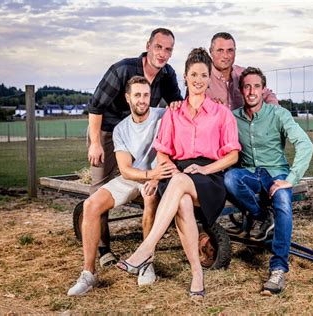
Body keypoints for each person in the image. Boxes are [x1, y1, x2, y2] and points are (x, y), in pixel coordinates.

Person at [116, 48, 241, 299]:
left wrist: (206, 168)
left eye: (204, 75)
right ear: (185, 77)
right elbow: (162, 151)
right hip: (177, 173)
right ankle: (197, 274)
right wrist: (165, 167)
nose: (198, 80)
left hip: (208, 177)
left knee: (182, 183)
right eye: (193, 74)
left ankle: (146, 248)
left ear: (209, 78)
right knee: (182, 200)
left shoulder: (221, 114)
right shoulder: (173, 112)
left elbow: (232, 155)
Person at [67, 76, 177, 296]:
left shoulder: (164, 116)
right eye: (137, 95)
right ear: (128, 98)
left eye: (146, 95)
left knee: (150, 198)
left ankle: (146, 263)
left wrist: (155, 177)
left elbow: (173, 149)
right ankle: (88, 273)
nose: (142, 100)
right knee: (91, 205)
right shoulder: (121, 129)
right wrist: (148, 174)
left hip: (159, 177)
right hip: (135, 175)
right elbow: (125, 169)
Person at [87, 28, 183, 266]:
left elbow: (176, 104)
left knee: (146, 180)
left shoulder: (167, 74)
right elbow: (96, 107)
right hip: (109, 129)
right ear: (148, 45)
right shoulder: (123, 70)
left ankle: (146, 250)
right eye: (158, 47)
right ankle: (103, 249)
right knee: (100, 183)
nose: (162, 53)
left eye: (168, 49)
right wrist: (96, 143)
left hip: (140, 131)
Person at [224, 67, 313, 295]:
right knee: (230, 179)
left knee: (283, 200)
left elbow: (305, 144)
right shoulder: (233, 118)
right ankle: (262, 216)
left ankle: (278, 268)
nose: (251, 91)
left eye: (256, 86)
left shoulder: (278, 114)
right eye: (247, 86)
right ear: (241, 90)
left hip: (276, 173)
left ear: (263, 90)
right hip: (249, 173)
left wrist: (291, 179)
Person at [206, 32, 278, 110]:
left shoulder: (244, 74)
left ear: (235, 51)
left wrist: (274, 112)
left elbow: (267, 94)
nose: (225, 56)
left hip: (243, 122)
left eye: (230, 50)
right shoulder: (202, 77)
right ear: (211, 51)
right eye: (220, 50)